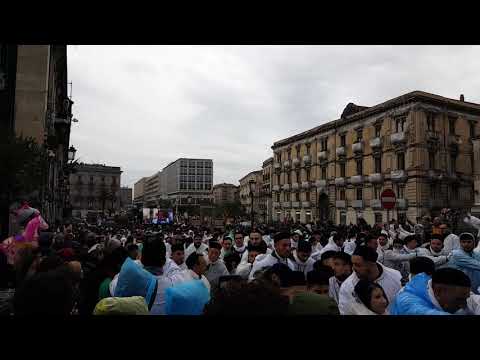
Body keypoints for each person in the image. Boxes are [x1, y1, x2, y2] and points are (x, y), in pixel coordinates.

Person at [338, 245, 402, 315]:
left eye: (358, 265)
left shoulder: (396, 277)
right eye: (353, 264)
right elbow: (345, 311)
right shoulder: (348, 286)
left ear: (372, 264)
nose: (353, 268)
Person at [390, 268, 471, 315]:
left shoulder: (428, 286)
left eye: (465, 299)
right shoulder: (408, 303)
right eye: (459, 299)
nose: (463, 305)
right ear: (439, 291)